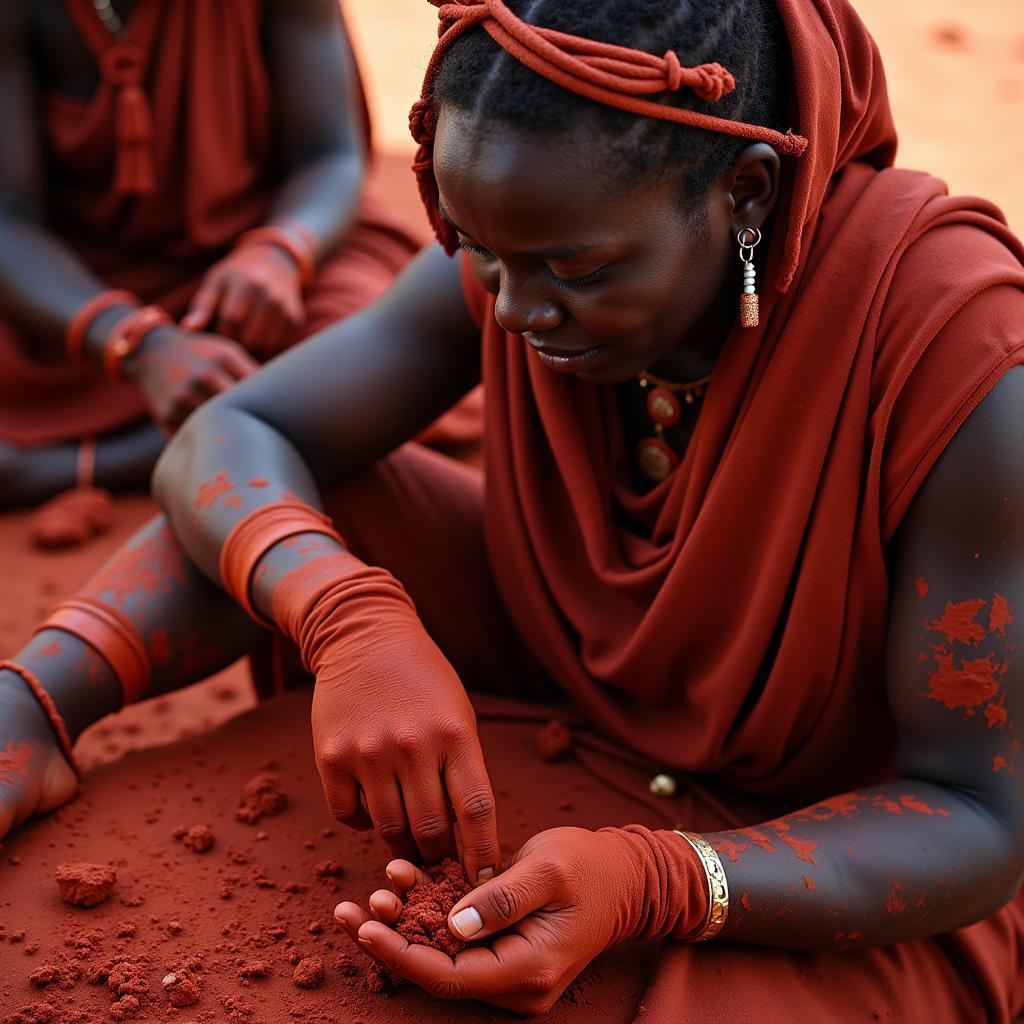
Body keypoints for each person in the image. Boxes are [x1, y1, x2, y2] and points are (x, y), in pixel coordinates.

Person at [1, 0, 1023, 1018]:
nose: (513, 310)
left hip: (821, 841)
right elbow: (229, 435)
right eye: (476, 250)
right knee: (309, 512)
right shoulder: (529, 245)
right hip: (568, 665)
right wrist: (348, 618)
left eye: (574, 271)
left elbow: (977, 815)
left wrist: (654, 883)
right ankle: (28, 716)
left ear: (744, 194)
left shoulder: (956, 355)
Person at [0, 0, 478, 523]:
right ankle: (264, 427)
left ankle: (68, 468)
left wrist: (280, 250)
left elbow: (329, 156)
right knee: (335, 395)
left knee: (366, 348)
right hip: (76, 284)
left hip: (276, 254)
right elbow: (9, 221)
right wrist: (135, 342)